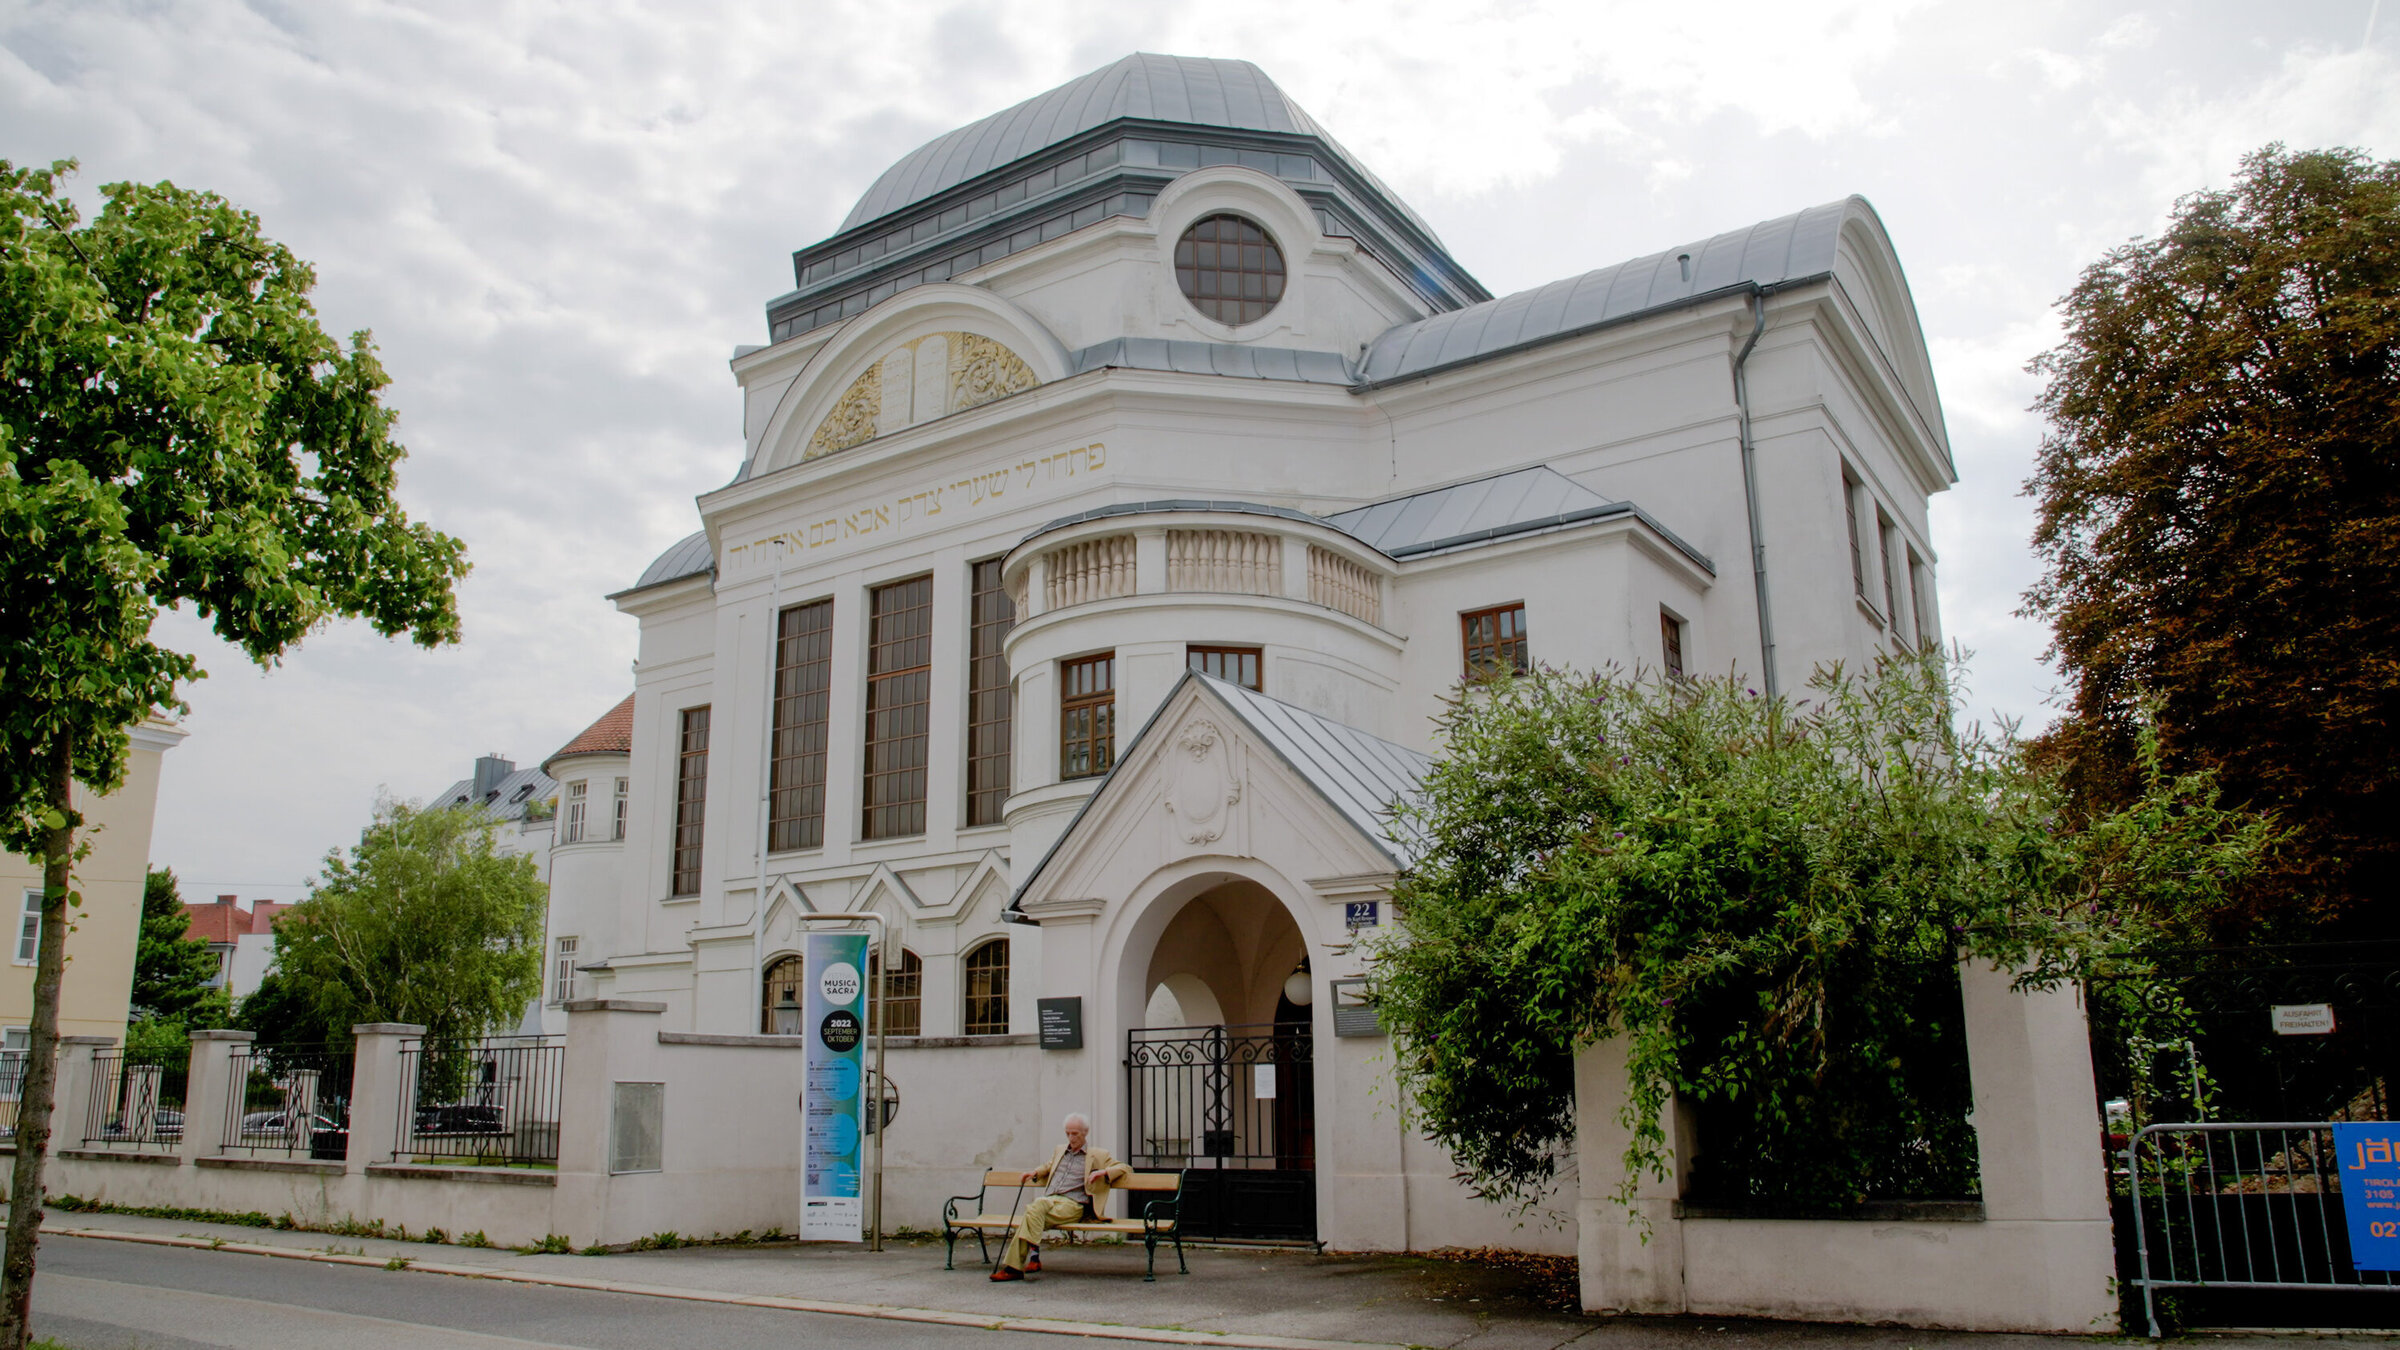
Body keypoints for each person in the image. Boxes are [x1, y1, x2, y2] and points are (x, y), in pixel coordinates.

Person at [991, 1112, 1130, 1281]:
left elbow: (1125, 1168)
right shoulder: (1060, 1150)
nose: (1071, 1138)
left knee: (1034, 1208)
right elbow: (1049, 1165)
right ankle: (1020, 1265)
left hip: (1073, 1205)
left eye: (1075, 1134)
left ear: (1085, 1132)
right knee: (1034, 1211)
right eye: (1068, 1133)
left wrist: (1104, 1172)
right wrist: (1034, 1172)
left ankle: (1020, 1264)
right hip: (1050, 1201)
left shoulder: (1098, 1155)